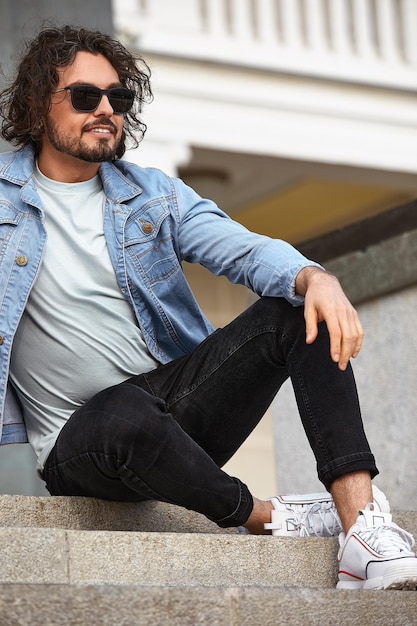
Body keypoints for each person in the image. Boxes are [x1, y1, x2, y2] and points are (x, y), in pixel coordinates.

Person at [0, 25, 415, 591]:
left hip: (175, 413)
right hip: (81, 446)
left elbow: (241, 248)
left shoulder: (153, 196)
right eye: (84, 96)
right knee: (122, 410)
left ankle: (362, 531)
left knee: (294, 308)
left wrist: (313, 276)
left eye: (117, 98)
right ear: (34, 104)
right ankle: (267, 516)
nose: (105, 110)